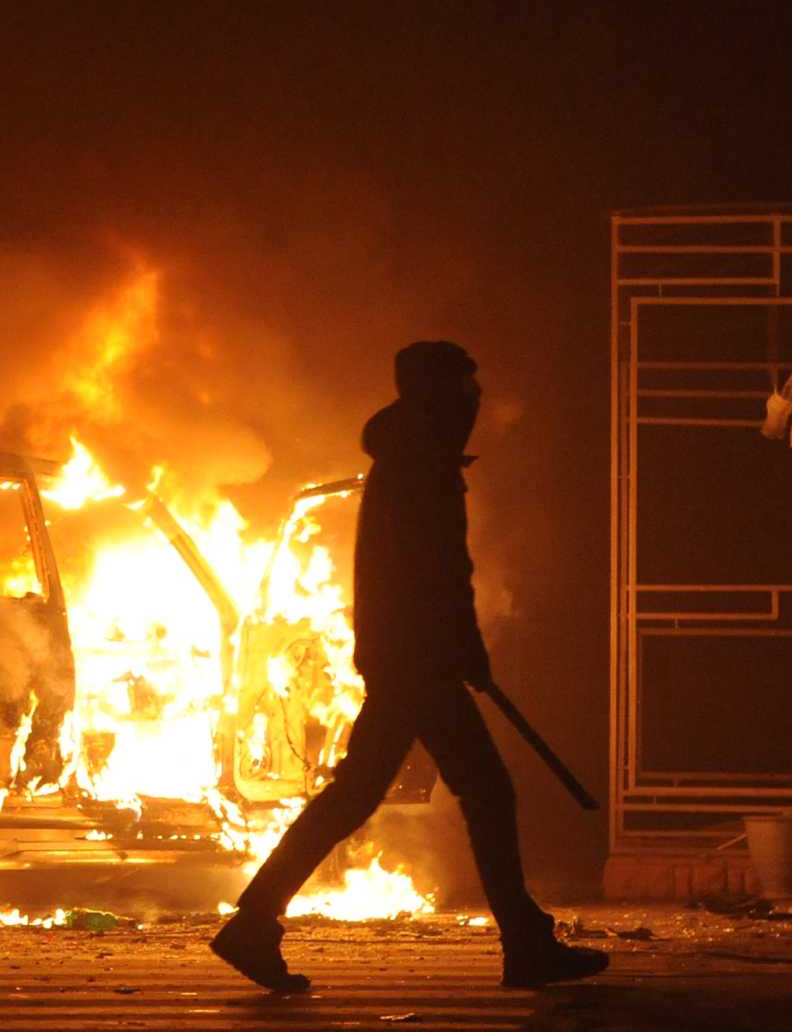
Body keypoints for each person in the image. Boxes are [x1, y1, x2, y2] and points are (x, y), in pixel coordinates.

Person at [210, 341, 609, 991]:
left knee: (363, 796)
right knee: (480, 791)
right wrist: (463, 649)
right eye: (465, 387)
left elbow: (433, 574)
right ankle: (525, 943)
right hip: (418, 661)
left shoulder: (409, 458)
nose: (476, 399)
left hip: (409, 658)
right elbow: (439, 574)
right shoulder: (420, 465)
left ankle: (254, 923)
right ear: (437, 393)